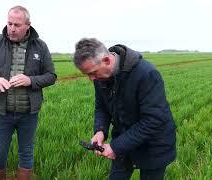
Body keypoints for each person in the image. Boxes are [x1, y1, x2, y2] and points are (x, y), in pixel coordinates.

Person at [0, 5, 57, 180]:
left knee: (26, 152)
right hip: (2, 113)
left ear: (28, 25)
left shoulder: (40, 46)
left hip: (29, 113)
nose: (12, 28)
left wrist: (30, 80)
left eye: (17, 25)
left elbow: (51, 76)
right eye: (9, 23)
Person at [73, 38, 176, 180]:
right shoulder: (100, 77)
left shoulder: (146, 74)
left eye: (92, 72)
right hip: (123, 140)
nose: (91, 79)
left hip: (154, 145)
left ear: (107, 60)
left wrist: (116, 147)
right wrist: (100, 130)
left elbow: (153, 120)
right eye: (87, 74)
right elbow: (101, 107)